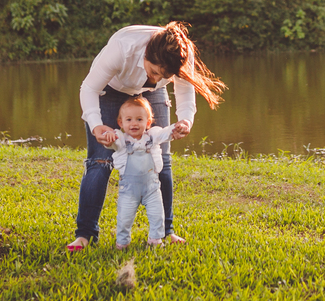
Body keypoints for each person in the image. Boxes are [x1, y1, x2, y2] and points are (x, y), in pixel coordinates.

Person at [67, 22, 225, 251]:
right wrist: (95, 125)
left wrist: (185, 120)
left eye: (162, 76)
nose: (154, 78)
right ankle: (85, 235)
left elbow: (184, 88)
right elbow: (89, 88)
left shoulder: (181, 53)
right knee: (100, 161)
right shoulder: (123, 47)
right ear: (146, 54)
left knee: (162, 160)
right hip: (110, 90)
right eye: (153, 72)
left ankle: (166, 231)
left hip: (152, 97)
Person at [108, 97, 179, 249]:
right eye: (129, 120)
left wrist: (174, 128)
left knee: (157, 214)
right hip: (129, 189)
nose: (134, 123)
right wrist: (108, 138)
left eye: (139, 119)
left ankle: (155, 239)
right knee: (124, 217)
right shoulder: (121, 140)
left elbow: (164, 133)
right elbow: (111, 142)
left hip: (151, 188)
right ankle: (122, 242)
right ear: (121, 123)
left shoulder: (152, 137)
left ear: (147, 123)